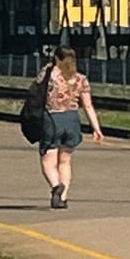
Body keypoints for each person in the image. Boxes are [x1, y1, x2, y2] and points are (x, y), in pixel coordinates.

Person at [37, 47, 105, 208]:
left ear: (56, 58)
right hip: (72, 120)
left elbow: (36, 88)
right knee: (65, 162)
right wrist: (96, 128)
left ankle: (56, 186)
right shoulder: (80, 79)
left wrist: (49, 66)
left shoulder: (50, 75)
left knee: (48, 160)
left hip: (52, 119)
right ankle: (63, 198)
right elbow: (88, 106)